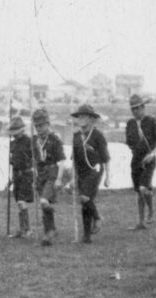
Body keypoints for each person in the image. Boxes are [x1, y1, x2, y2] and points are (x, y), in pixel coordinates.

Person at [123, 94, 156, 230]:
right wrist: (135, 150)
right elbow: (129, 142)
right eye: (133, 109)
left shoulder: (152, 121)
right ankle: (140, 222)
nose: (135, 111)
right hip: (136, 159)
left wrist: (152, 154)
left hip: (149, 159)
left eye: (137, 108)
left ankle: (151, 211)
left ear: (143, 107)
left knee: (143, 188)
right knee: (138, 191)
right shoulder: (130, 123)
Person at [70, 104, 110, 244]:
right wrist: (73, 177)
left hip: (95, 169)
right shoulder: (75, 136)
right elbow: (74, 158)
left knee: (85, 197)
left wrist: (108, 177)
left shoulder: (98, 135)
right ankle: (86, 236)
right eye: (79, 116)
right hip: (81, 172)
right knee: (85, 203)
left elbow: (105, 157)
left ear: (91, 119)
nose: (81, 119)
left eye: (84, 116)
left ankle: (98, 218)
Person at [31, 109, 68, 246]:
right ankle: (49, 232)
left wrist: (59, 179)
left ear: (48, 124)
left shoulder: (54, 139)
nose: (39, 128)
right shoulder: (35, 141)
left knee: (44, 201)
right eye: (37, 126)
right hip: (41, 174)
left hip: (52, 173)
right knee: (44, 204)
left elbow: (62, 161)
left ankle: (50, 230)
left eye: (41, 125)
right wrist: (34, 179)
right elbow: (34, 162)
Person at [6, 115, 35, 238]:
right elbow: (13, 162)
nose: (14, 135)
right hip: (16, 175)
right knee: (19, 202)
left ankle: (27, 229)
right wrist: (11, 179)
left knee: (22, 202)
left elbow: (34, 159)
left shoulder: (29, 142)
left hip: (26, 174)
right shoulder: (12, 144)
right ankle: (22, 229)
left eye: (16, 132)